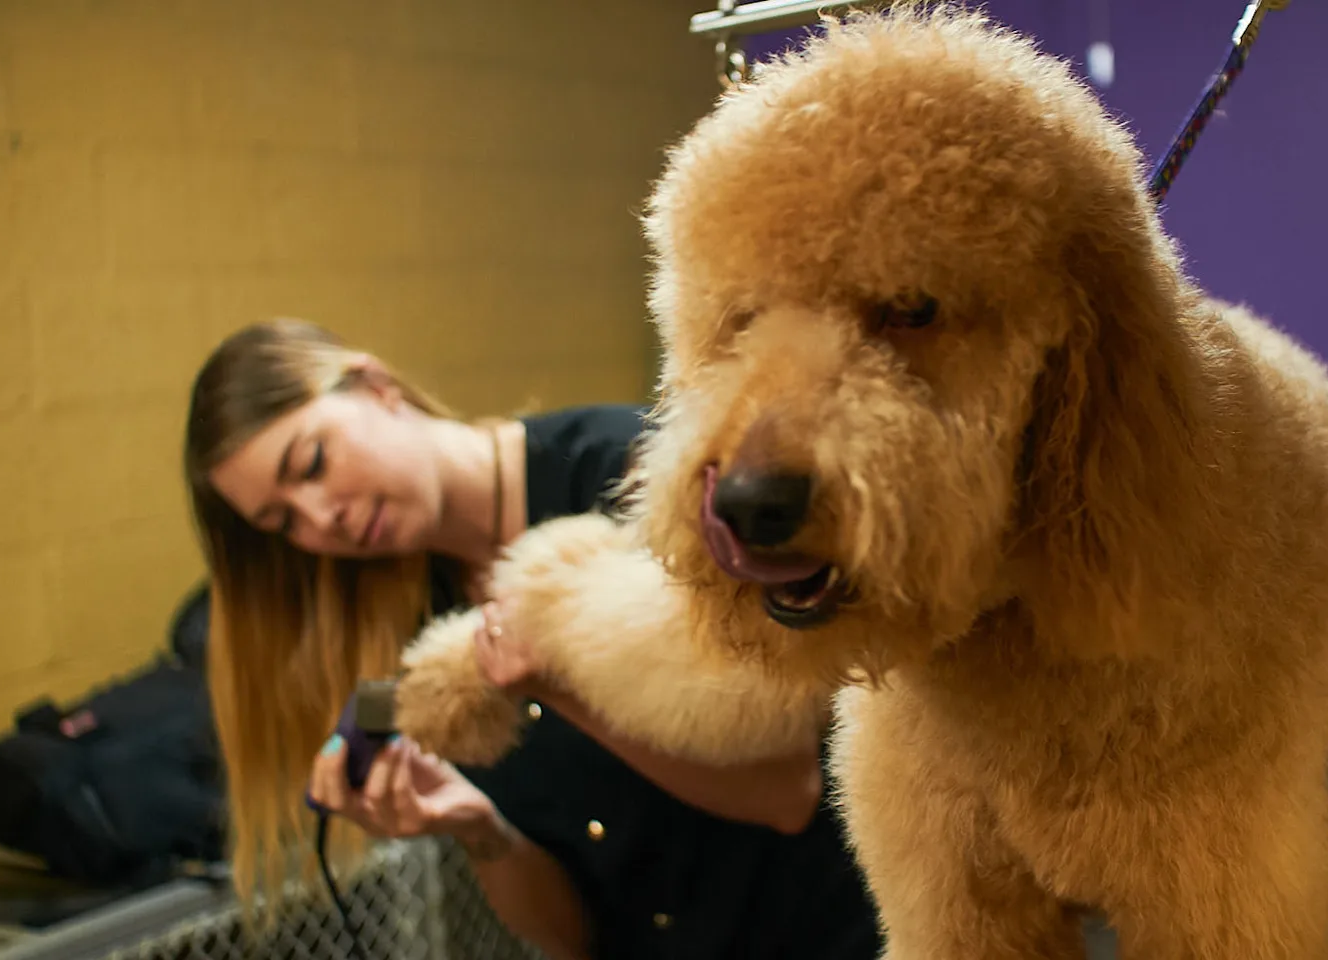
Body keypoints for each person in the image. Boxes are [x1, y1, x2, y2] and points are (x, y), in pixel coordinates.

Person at [183, 318, 882, 960]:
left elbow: (789, 793)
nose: (319, 519)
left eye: (310, 464)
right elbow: (569, 938)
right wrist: (479, 830)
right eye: (283, 524)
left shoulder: (630, 475)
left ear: (375, 387)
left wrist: (555, 677)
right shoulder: (417, 621)